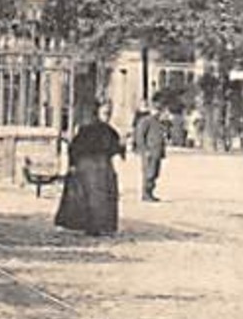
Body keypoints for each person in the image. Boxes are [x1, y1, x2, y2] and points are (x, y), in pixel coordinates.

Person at [55, 101, 124, 235]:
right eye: (105, 113)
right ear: (97, 113)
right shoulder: (88, 130)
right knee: (88, 197)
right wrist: (73, 164)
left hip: (100, 167)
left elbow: (114, 150)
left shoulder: (108, 131)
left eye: (109, 113)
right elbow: (75, 148)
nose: (107, 116)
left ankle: (99, 226)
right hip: (90, 167)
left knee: (98, 198)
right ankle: (89, 225)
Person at [132, 101, 167, 202]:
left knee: (155, 173)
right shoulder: (146, 121)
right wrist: (144, 150)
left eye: (160, 110)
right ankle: (146, 194)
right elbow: (140, 136)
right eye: (157, 110)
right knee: (148, 173)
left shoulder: (159, 122)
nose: (158, 112)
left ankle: (150, 192)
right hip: (149, 152)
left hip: (157, 152)